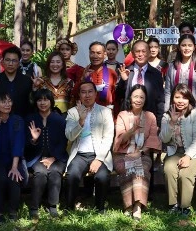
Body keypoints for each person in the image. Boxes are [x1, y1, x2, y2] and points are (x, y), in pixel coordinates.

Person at [63, 81, 115, 211]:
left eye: (90, 91)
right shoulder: (72, 112)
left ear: (96, 94)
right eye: (83, 92)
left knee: (102, 176)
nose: (87, 95)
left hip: (99, 154)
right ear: (79, 95)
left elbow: (108, 137)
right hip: (79, 154)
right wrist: (80, 121)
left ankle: (100, 208)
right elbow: (69, 136)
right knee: (72, 175)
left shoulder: (105, 111)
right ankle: (69, 207)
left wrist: (99, 159)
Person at [113, 85, 161, 220]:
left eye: (141, 97)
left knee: (141, 169)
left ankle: (137, 206)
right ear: (130, 98)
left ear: (145, 99)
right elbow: (120, 139)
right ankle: (128, 205)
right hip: (122, 154)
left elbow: (152, 139)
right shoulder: (122, 115)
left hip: (142, 154)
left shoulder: (150, 116)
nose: (138, 100)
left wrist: (139, 153)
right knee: (127, 168)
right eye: (135, 96)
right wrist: (132, 129)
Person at [161, 85, 196, 216]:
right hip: (175, 152)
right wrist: (172, 122)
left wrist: (188, 156)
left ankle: (185, 207)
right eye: (177, 97)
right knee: (169, 169)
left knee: (185, 173)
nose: (181, 101)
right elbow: (164, 139)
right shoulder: (166, 116)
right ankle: (173, 204)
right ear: (172, 99)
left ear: (189, 100)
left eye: (184, 97)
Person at [0, 93, 26, 222]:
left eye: (9, 101)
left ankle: (13, 211)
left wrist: (14, 167)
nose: (7, 104)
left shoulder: (17, 120)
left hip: (14, 159)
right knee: (0, 178)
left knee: (14, 178)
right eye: (3, 102)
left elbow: (19, 144)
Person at [26, 89, 67, 218]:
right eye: (39, 100)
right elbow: (25, 145)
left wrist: (53, 157)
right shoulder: (30, 119)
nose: (42, 103)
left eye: (46, 99)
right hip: (35, 157)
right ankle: (34, 206)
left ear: (51, 101)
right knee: (40, 172)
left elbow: (63, 142)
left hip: (56, 157)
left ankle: (53, 205)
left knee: (55, 172)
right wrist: (34, 139)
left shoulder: (59, 120)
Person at [116, 39, 166, 120]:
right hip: (129, 117)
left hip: (150, 119)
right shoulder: (126, 71)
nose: (140, 54)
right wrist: (124, 81)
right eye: (137, 51)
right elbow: (119, 96)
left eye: (144, 51)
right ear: (132, 53)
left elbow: (160, 100)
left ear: (149, 53)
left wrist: (159, 122)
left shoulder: (156, 74)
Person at [0, 47, 35, 118]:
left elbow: (33, 104)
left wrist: (35, 89)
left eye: (14, 61)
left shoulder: (27, 80)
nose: (10, 64)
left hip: (22, 121)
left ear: (18, 63)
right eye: (7, 60)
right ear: (3, 62)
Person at [163, 34, 196, 113]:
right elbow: (168, 91)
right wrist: (166, 110)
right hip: (175, 109)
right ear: (179, 48)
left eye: (190, 45)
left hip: (195, 109)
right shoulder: (172, 67)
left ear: (194, 48)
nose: (187, 48)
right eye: (183, 45)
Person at [82, 42, 119, 108]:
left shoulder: (112, 73)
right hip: (86, 111)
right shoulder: (82, 72)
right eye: (92, 53)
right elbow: (75, 94)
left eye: (98, 53)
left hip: (106, 112)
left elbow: (115, 97)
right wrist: (83, 79)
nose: (95, 56)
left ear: (105, 55)